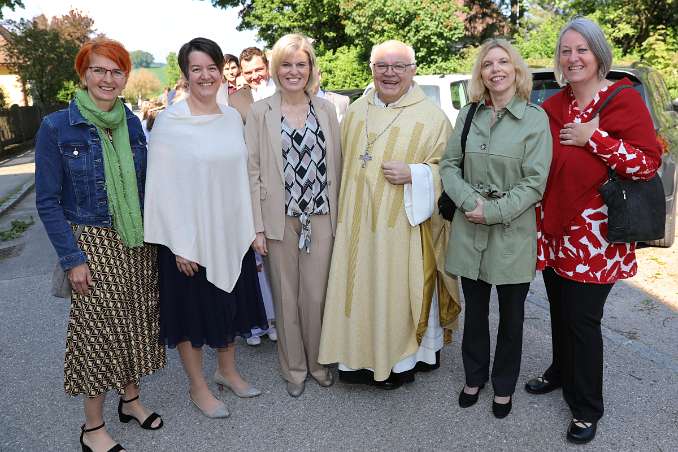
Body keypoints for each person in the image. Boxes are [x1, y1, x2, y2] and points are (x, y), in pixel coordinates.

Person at [524, 17, 663, 444]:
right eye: (566, 51)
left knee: (583, 320)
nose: (572, 58)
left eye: (582, 49)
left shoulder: (622, 99)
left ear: (599, 53)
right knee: (560, 312)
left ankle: (586, 408)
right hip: (554, 231)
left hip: (595, 239)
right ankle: (560, 371)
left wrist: (593, 138)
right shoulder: (553, 105)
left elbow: (646, 163)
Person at [35, 37, 165, 452]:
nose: (108, 79)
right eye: (99, 70)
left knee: (135, 322)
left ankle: (131, 401)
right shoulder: (57, 126)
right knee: (98, 333)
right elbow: (47, 201)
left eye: (116, 71)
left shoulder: (129, 122)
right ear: (84, 74)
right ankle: (92, 427)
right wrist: (72, 259)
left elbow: (146, 186)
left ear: (125, 77)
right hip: (90, 241)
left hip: (136, 239)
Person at [318, 40, 461, 389]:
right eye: (382, 65)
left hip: (404, 231)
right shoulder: (355, 111)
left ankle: (401, 362)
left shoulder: (432, 117)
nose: (390, 73)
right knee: (357, 285)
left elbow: (451, 170)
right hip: (356, 225)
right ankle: (355, 360)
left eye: (399, 66)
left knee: (396, 289)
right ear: (371, 69)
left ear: (413, 70)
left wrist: (417, 173)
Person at [144, 37, 269, 419]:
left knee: (229, 307)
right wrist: (180, 245)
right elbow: (161, 187)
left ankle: (227, 371)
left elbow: (241, 176)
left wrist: (250, 227)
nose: (205, 75)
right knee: (193, 316)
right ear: (185, 74)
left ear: (220, 71)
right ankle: (198, 387)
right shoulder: (170, 121)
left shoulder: (232, 116)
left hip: (231, 230)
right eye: (196, 69)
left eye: (211, 68)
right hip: (189, 239)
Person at [440, 38, 552, 419]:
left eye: (503, 62)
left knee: (511, 316)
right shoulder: (468, 114)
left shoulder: (535, 120)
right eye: (488, 64)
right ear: (481, 73)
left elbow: (535, 183)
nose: (496, 69)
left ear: (516, 69)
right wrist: (471, 203)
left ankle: (503, 385)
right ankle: (475, 377)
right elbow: (449, 166)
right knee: (475, 311)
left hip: (511, 233)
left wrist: (492, 210)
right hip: (469, 228)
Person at [246, 33, 342, 397]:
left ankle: (318, 363)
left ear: (311, 68)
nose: (293, 71)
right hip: (278, 220)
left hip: (320, 217)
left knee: (315, 296)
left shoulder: (327, 109)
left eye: (301, 64)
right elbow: (252, 171)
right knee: (286, 298)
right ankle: (294, 368)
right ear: (275, 69)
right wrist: (257, 226)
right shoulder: (260, 112)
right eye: (286, 64)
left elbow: (339, 165)